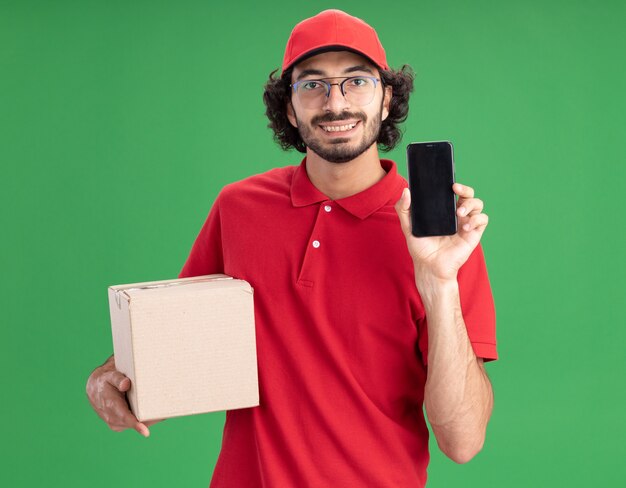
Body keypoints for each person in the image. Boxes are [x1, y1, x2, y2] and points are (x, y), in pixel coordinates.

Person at [86, 9, 497, 487]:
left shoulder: (440, 240)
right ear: (289, 107)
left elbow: (462, 442)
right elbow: (172, 348)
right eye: (313, 85)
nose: (335, 103)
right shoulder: (239, 207)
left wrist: (438, 282)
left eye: (356, 81)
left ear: (387, 99)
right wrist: (107, 381)